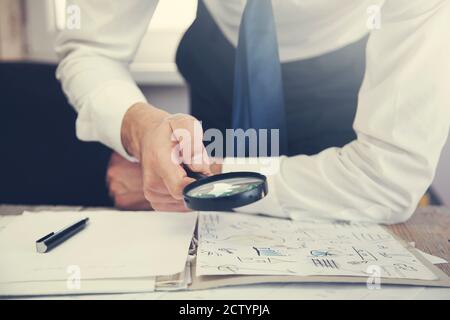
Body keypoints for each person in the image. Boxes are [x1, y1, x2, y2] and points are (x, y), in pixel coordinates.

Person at [56, 0, 450, 223]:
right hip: (223, 67)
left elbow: (385, 177)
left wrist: (207, 181)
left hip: (349, 90)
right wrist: (140, 131)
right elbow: (93, 48)